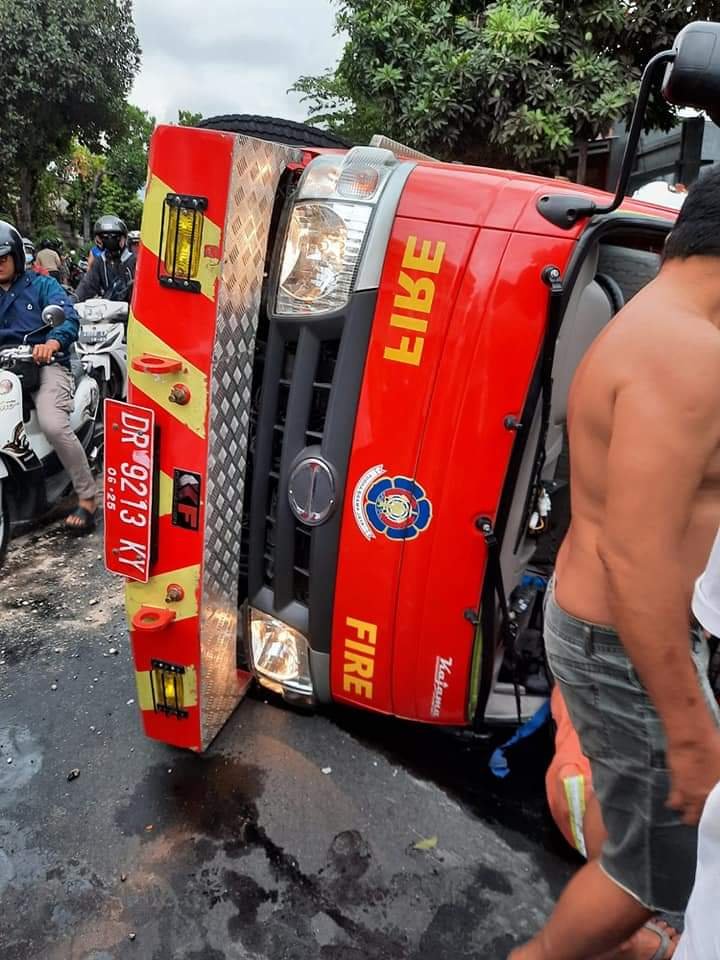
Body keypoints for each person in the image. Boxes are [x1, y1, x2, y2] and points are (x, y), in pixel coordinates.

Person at [510, 167, 720, 960]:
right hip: (623, 640)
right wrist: (692, 728)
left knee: (654, 836)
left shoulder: (659, 322)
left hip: (608, 630)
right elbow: (636, 560)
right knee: (655, 871)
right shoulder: (690, 354)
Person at [0, 221, 97, 533]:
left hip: (45, 364)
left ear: (16, 255)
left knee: (53, 423)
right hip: (5, 369)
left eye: (3, 257)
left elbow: (68, 318)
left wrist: (52, 343)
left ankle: (87, 498)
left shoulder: (42, 286)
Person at [75, 215, 135, 302]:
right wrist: (74, 298)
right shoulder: (100, 262)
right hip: (107, 310)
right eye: (105, 237)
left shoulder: (133, 261)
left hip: (131, 310)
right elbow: (87, 285)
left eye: (114, 237)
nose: (110, 241)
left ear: (123, 238)